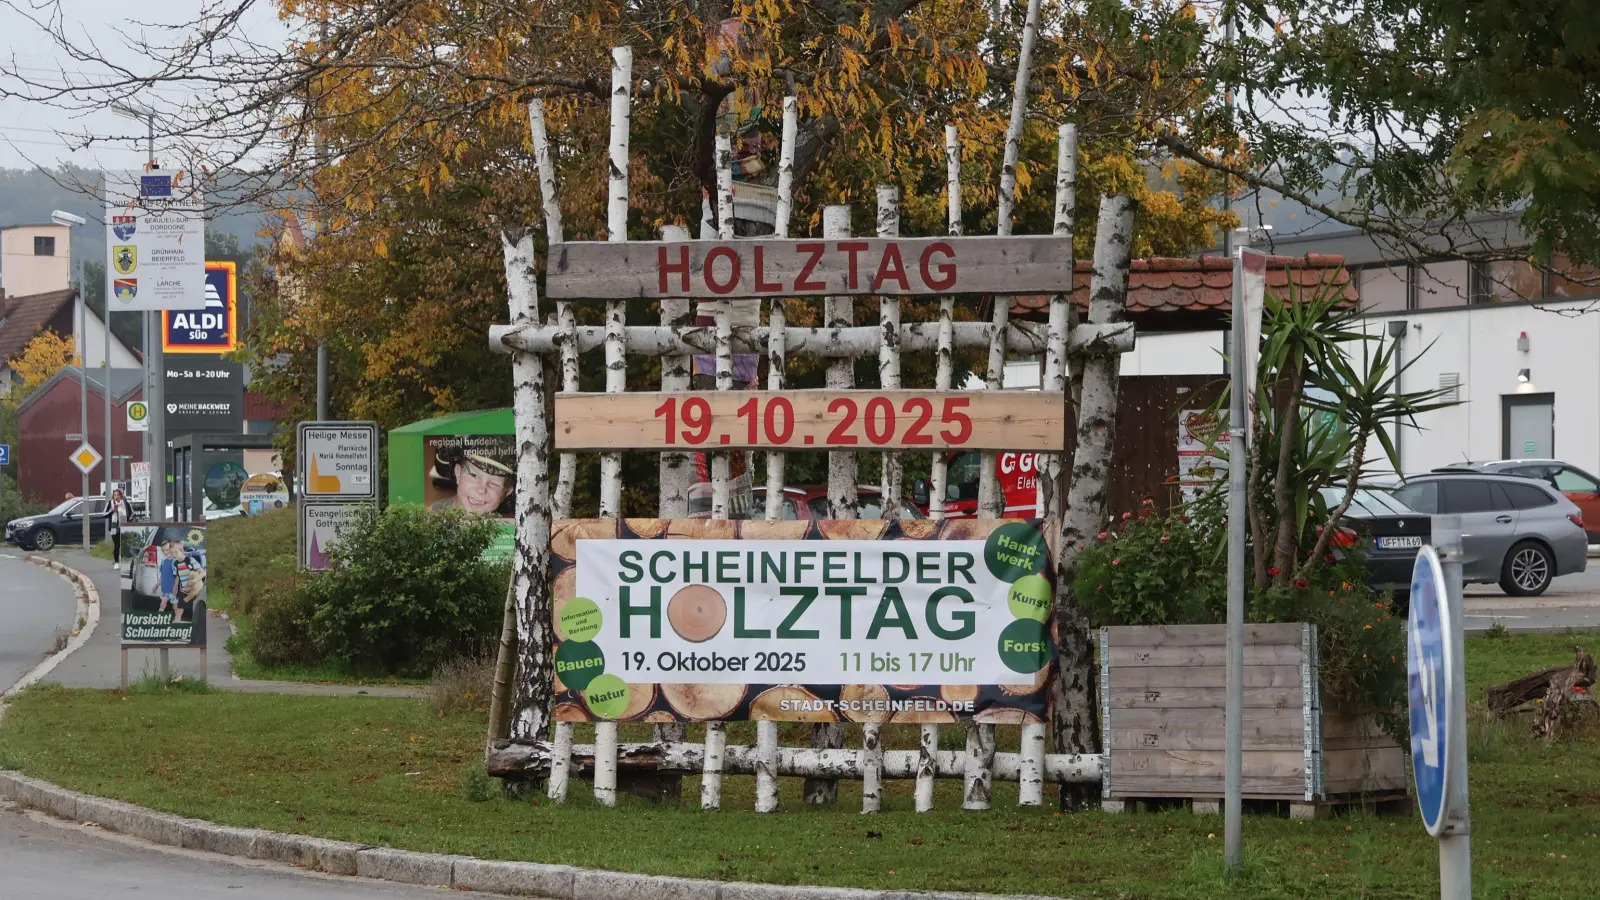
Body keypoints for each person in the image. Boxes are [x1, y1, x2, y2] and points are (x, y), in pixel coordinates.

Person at [430, 444, 515, 516]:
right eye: (473, 475)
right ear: (458, 473)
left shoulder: (510, 528)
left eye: (494, 483)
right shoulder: (432, 514)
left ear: (507, 492)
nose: (481, 490)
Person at [157, 538, 205, 624]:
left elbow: (203, 573)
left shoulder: (190, 560)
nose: (174, 555)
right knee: (179, 611)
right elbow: (178, 576)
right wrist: (175, 586)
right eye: (172, 552)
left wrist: (194, 581)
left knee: (196, 611)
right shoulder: (176, 563)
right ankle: (176, 628)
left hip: (196, 589)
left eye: (176, 552)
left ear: (182, 551)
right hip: (184, 590)